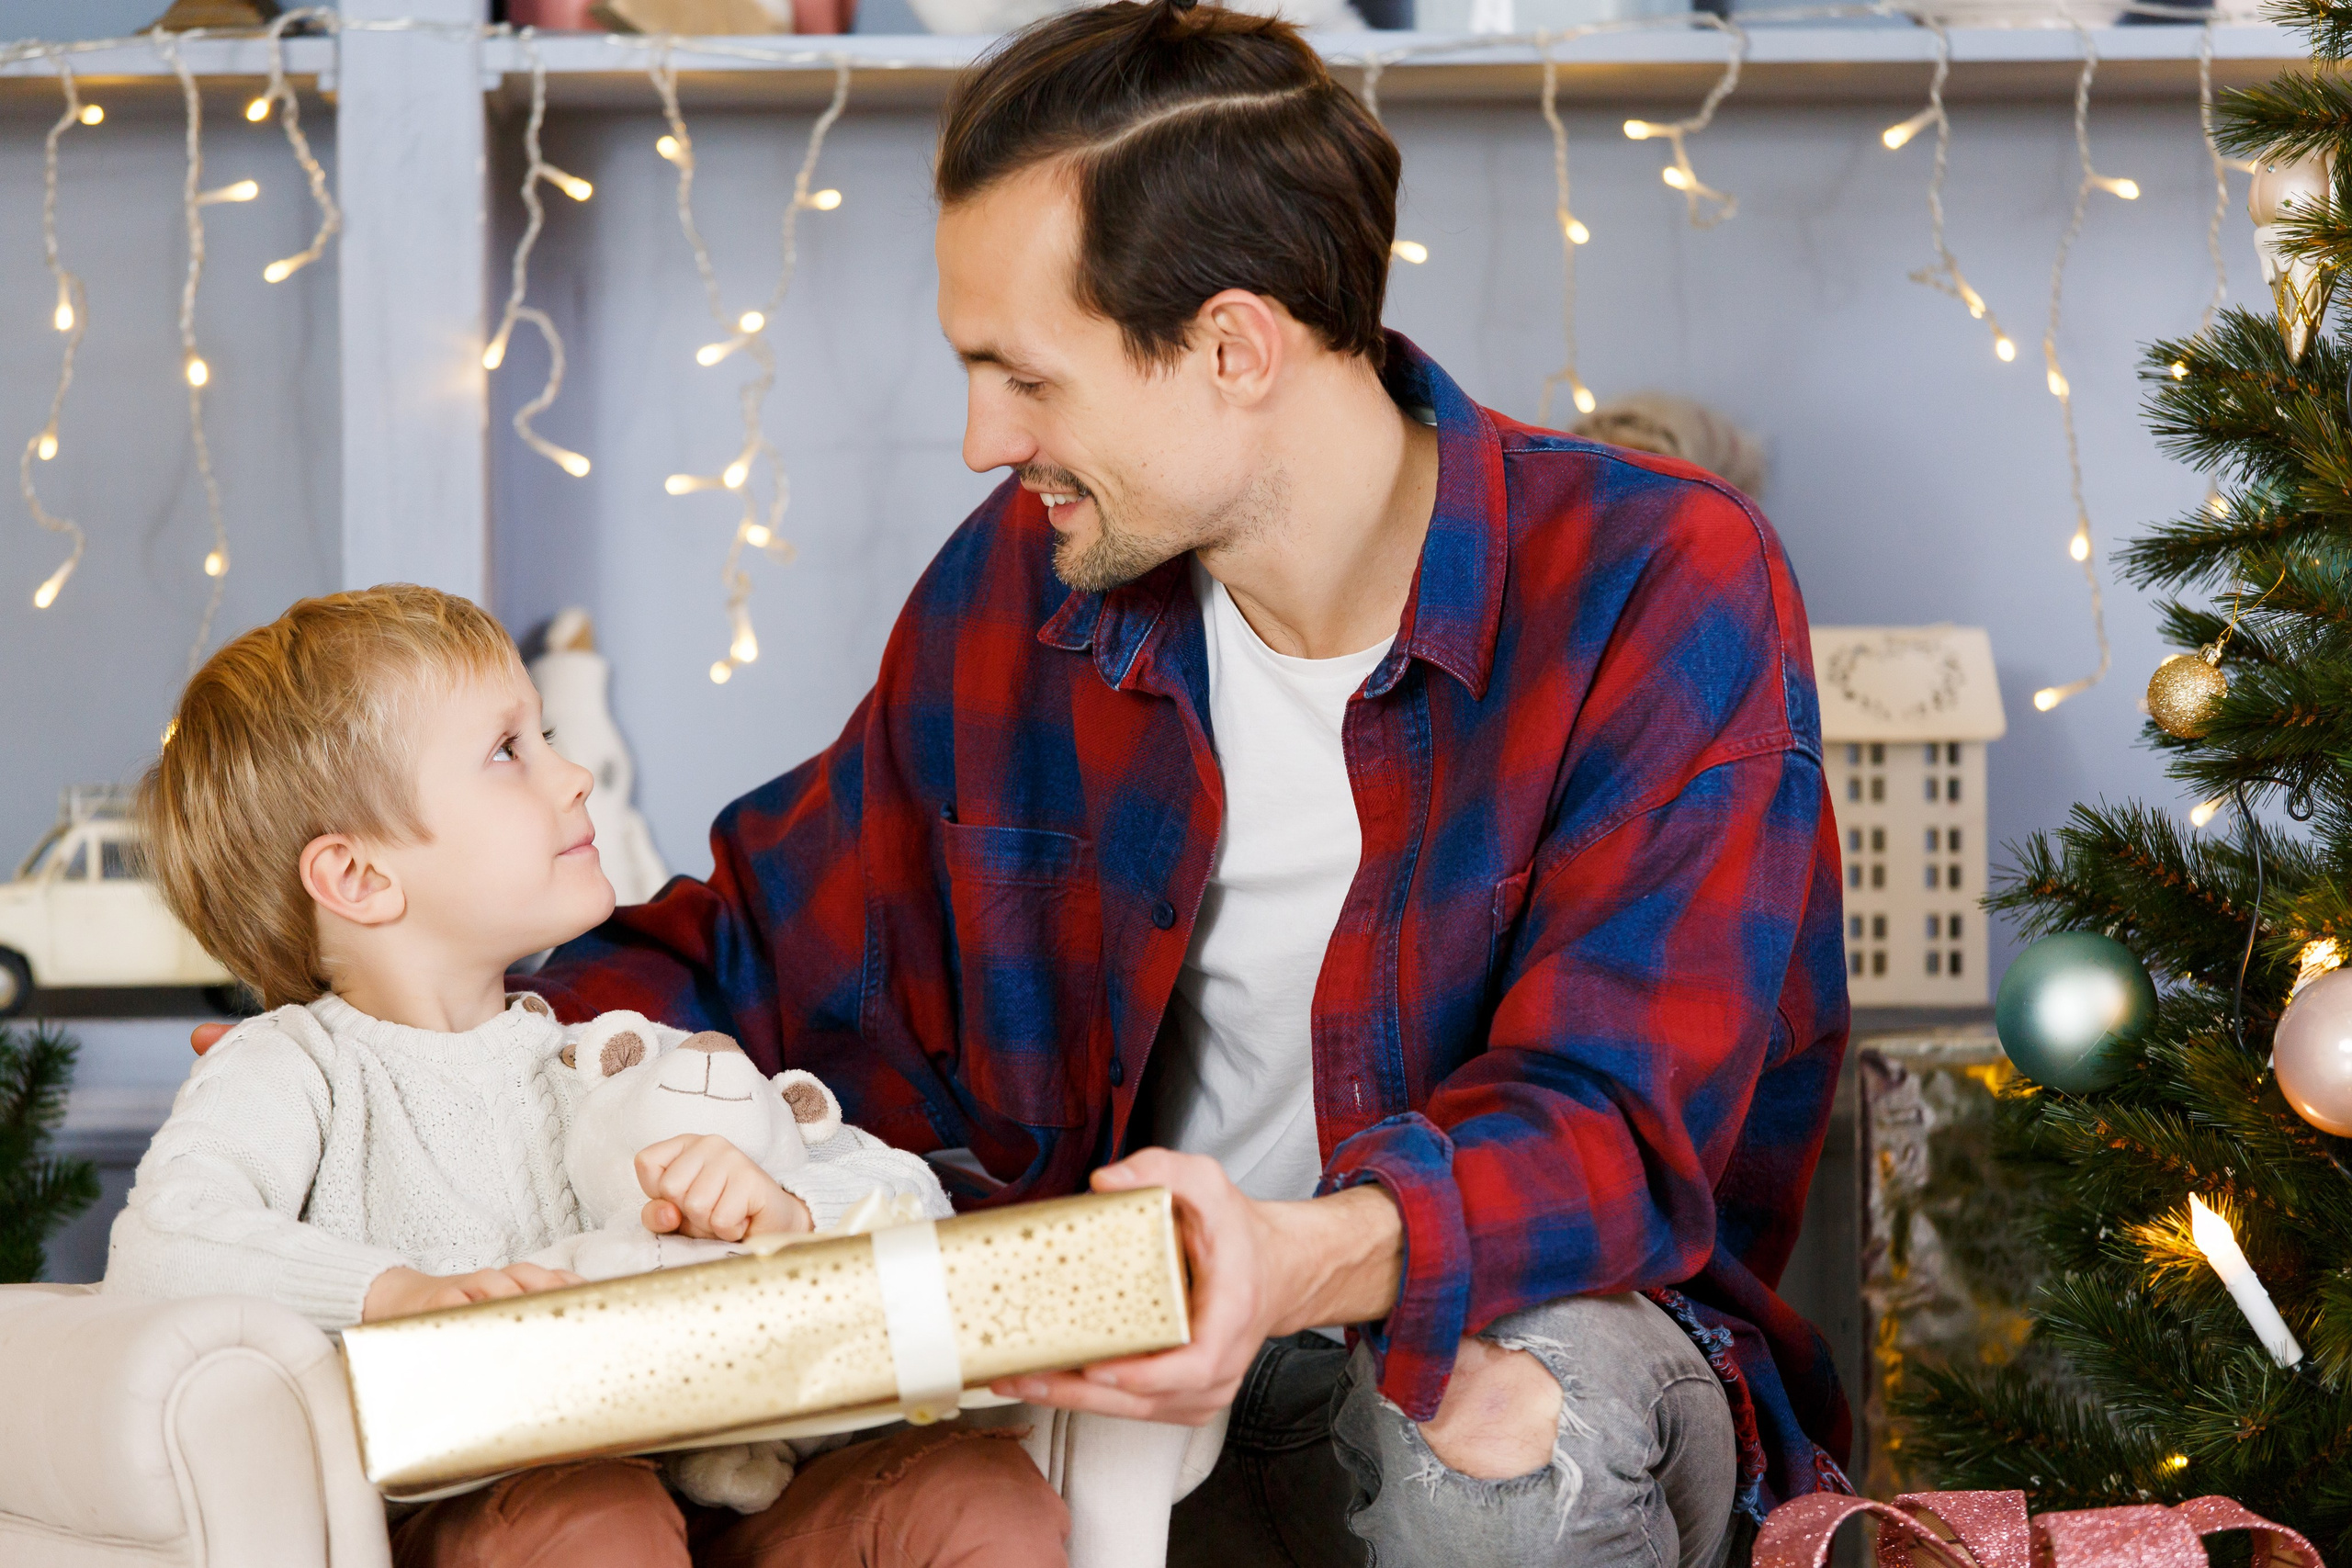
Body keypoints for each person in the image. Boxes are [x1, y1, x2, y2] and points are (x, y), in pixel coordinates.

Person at [117, 584, 1070, 1568]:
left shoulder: (606, 1055)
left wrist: (783, 1212)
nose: (573, 776)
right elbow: (162, 1248)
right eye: (507, 752)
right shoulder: (294, 1073)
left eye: (548, 737)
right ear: (358, 877)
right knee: (597, 1519)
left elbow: (909, 1194)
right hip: (494, 1522)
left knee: (976, 1494)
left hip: (719, 1497)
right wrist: (392, 1294)